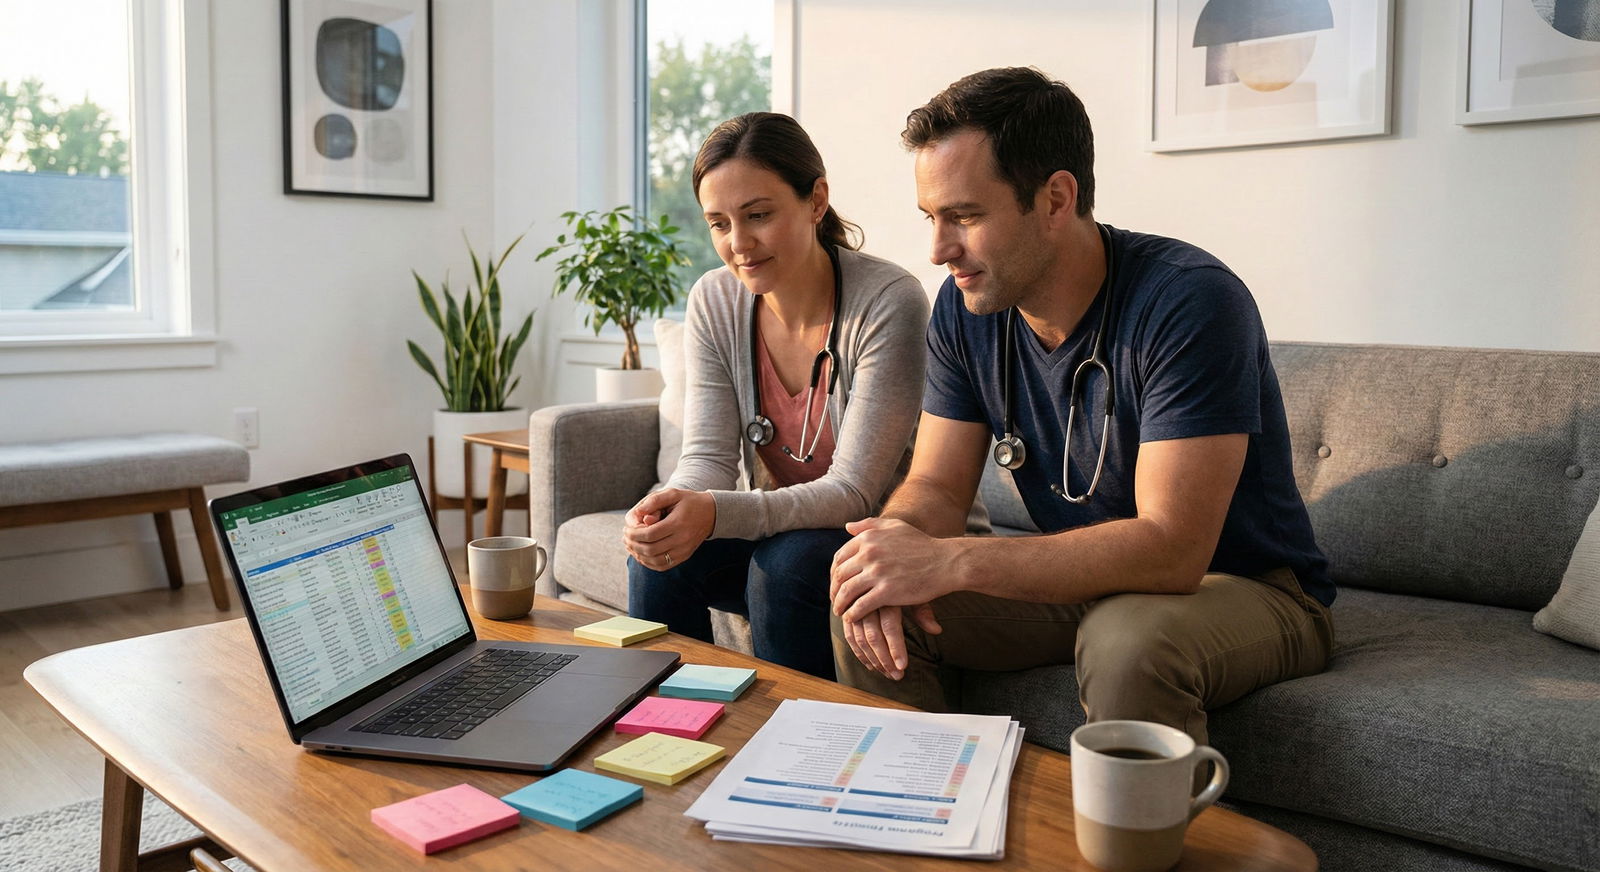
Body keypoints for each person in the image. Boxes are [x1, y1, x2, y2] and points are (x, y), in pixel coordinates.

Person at [827, 68, 1335, 746]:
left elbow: (1172, 550)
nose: (938, 249)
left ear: (1056, 198)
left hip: (1249, 587)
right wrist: (893, 548)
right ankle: (920, 827)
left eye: (967, 217)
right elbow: (936, 486)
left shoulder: (1190, 302)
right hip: (1090, 582)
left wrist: (952, 562)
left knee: (1127, 640)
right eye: (933, 218)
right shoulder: (967, 305)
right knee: (867, 594)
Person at [625, 112, 930, 680]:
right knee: (659, 561)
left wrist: (714, 512)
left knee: (784, 565)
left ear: (816, 201)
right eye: (718, 224)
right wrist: (669, 509)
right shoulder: (714, 301)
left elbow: (854, 493)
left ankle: (793, 748)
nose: (738, 244)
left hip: (878, 534)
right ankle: (662, 733)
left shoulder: (888, 301)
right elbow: (709, 459)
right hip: (784, 534)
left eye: (758, 215)